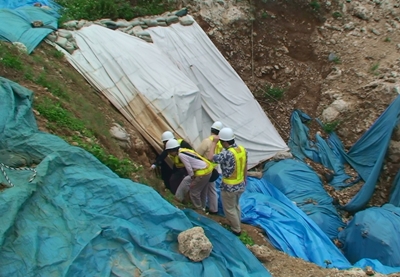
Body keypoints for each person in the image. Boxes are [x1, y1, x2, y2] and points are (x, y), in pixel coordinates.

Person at [207, 127, 248, 236]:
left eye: (221, 141)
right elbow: (245, 166)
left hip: (229, 187)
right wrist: (245, 178)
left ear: (224, 142)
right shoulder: (242, 149)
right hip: (241, 185)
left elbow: (210, 157)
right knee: (236, 206)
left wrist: (213, 143)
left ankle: (236, 229)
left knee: (229, 209)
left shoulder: (227, 154)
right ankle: (238, 224)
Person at [165, 139, 214, 210]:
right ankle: (178, 198)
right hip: (207, 169)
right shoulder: (183, 150)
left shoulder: (181, 155)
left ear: (172, 150)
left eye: (169, 152)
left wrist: (192, 177)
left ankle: (199, 209)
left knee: (194, 192)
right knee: (196, 187)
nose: (169, 154)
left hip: (202, 173)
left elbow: (188, 167)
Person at [196, 121, 224, 215]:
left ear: (211, 129)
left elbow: (198, 154)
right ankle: (214, 208)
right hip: (214, 169)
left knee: (201, 189)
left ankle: (201, 207)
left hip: (205, 169)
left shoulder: (207, 141)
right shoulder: (220, 143)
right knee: (211, 189)